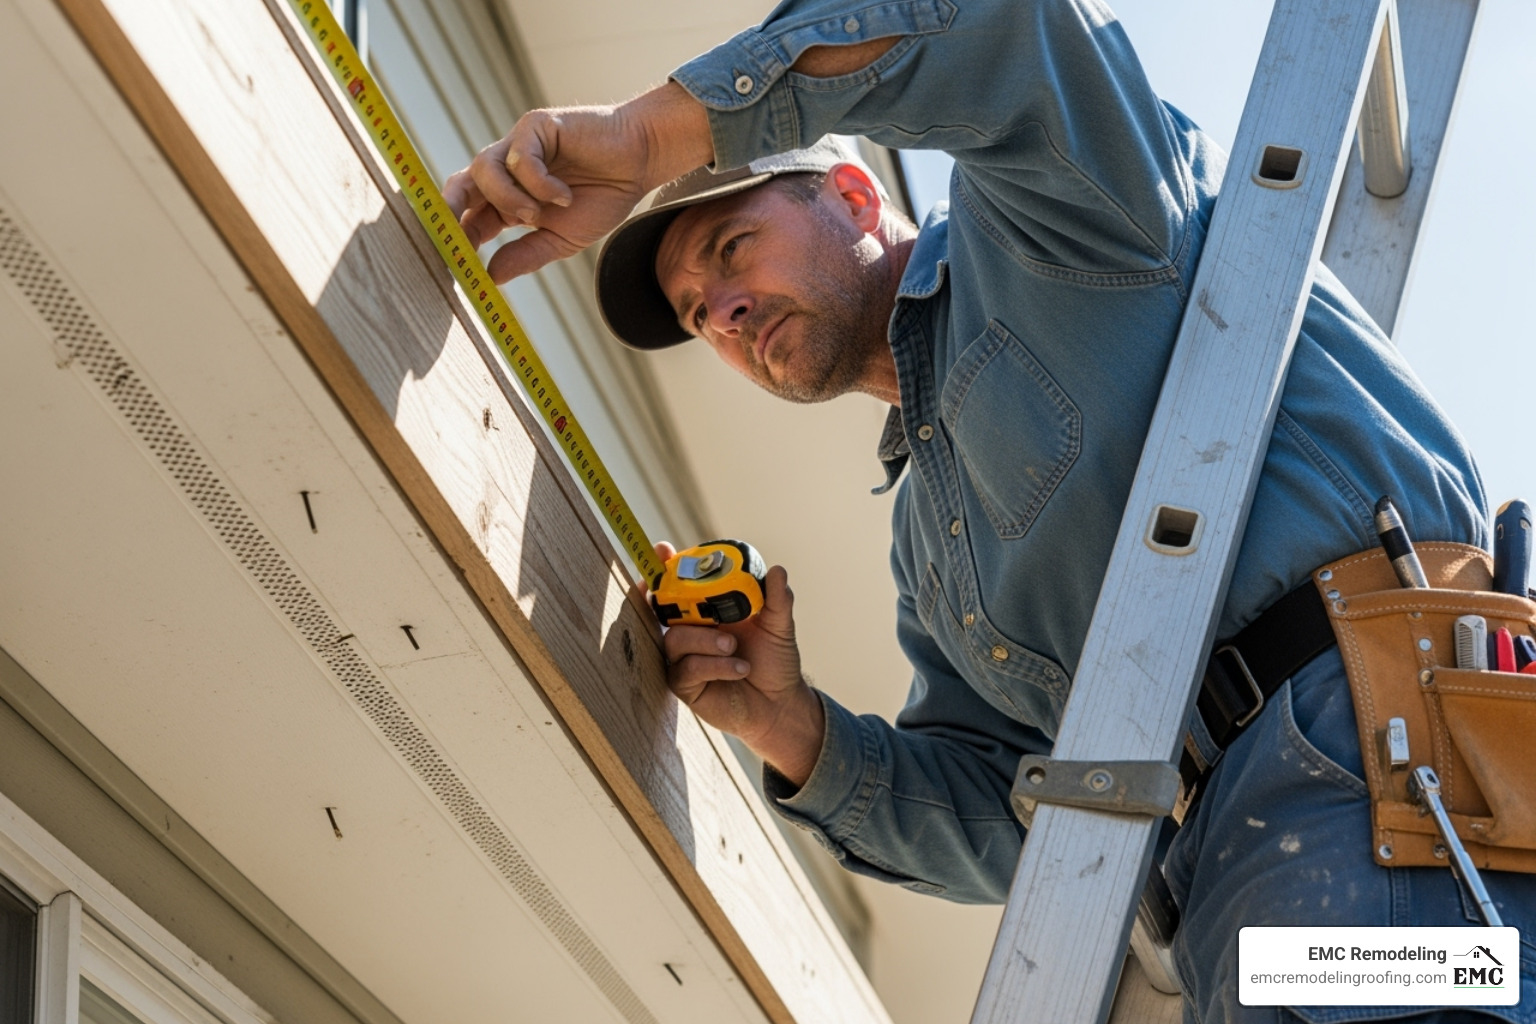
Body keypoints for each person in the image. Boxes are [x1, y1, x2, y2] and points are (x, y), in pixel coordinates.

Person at [445, 1, 1535, 1019]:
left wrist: (653, 138)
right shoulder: (932, 553)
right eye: (696, 314)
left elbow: (990, 23)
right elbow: (1010, 808)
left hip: (1386, 769)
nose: (722, 312)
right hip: (1243, 880)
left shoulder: (1050, 227)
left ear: (858, 198)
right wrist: (792, 729)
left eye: (733, 250)